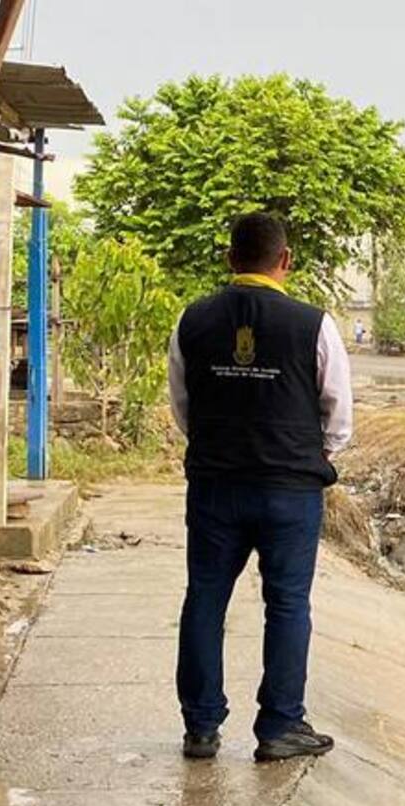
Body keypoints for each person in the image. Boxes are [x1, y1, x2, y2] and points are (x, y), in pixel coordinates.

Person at [167, 213, 353, 763]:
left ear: (230, 260)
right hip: (290, 492)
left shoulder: (192, 320)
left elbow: (183, 405)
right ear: (285, 261)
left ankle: (201, 729)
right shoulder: (314, 324)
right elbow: (339, 413)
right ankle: (279, 727)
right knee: (288, 604)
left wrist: (218, 446)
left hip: (215, 487)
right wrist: (315, 455)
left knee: (205, 598)